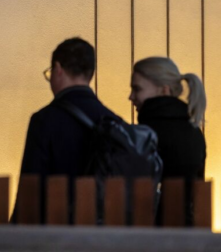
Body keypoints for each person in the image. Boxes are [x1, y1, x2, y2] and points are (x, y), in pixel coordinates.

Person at [11, 37, 121, 223]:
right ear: (90, 73)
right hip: (100, 232)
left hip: (56, 230)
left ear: (58, 69)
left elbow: (31, 188)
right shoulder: (113, 121)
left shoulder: (44, 120)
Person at [129, 56, 207, 225]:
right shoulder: (194, 131)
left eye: (137, 89)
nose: (131, 96)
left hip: (150, 232)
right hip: (188, 230)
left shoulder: (145, 134)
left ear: (164, 90)